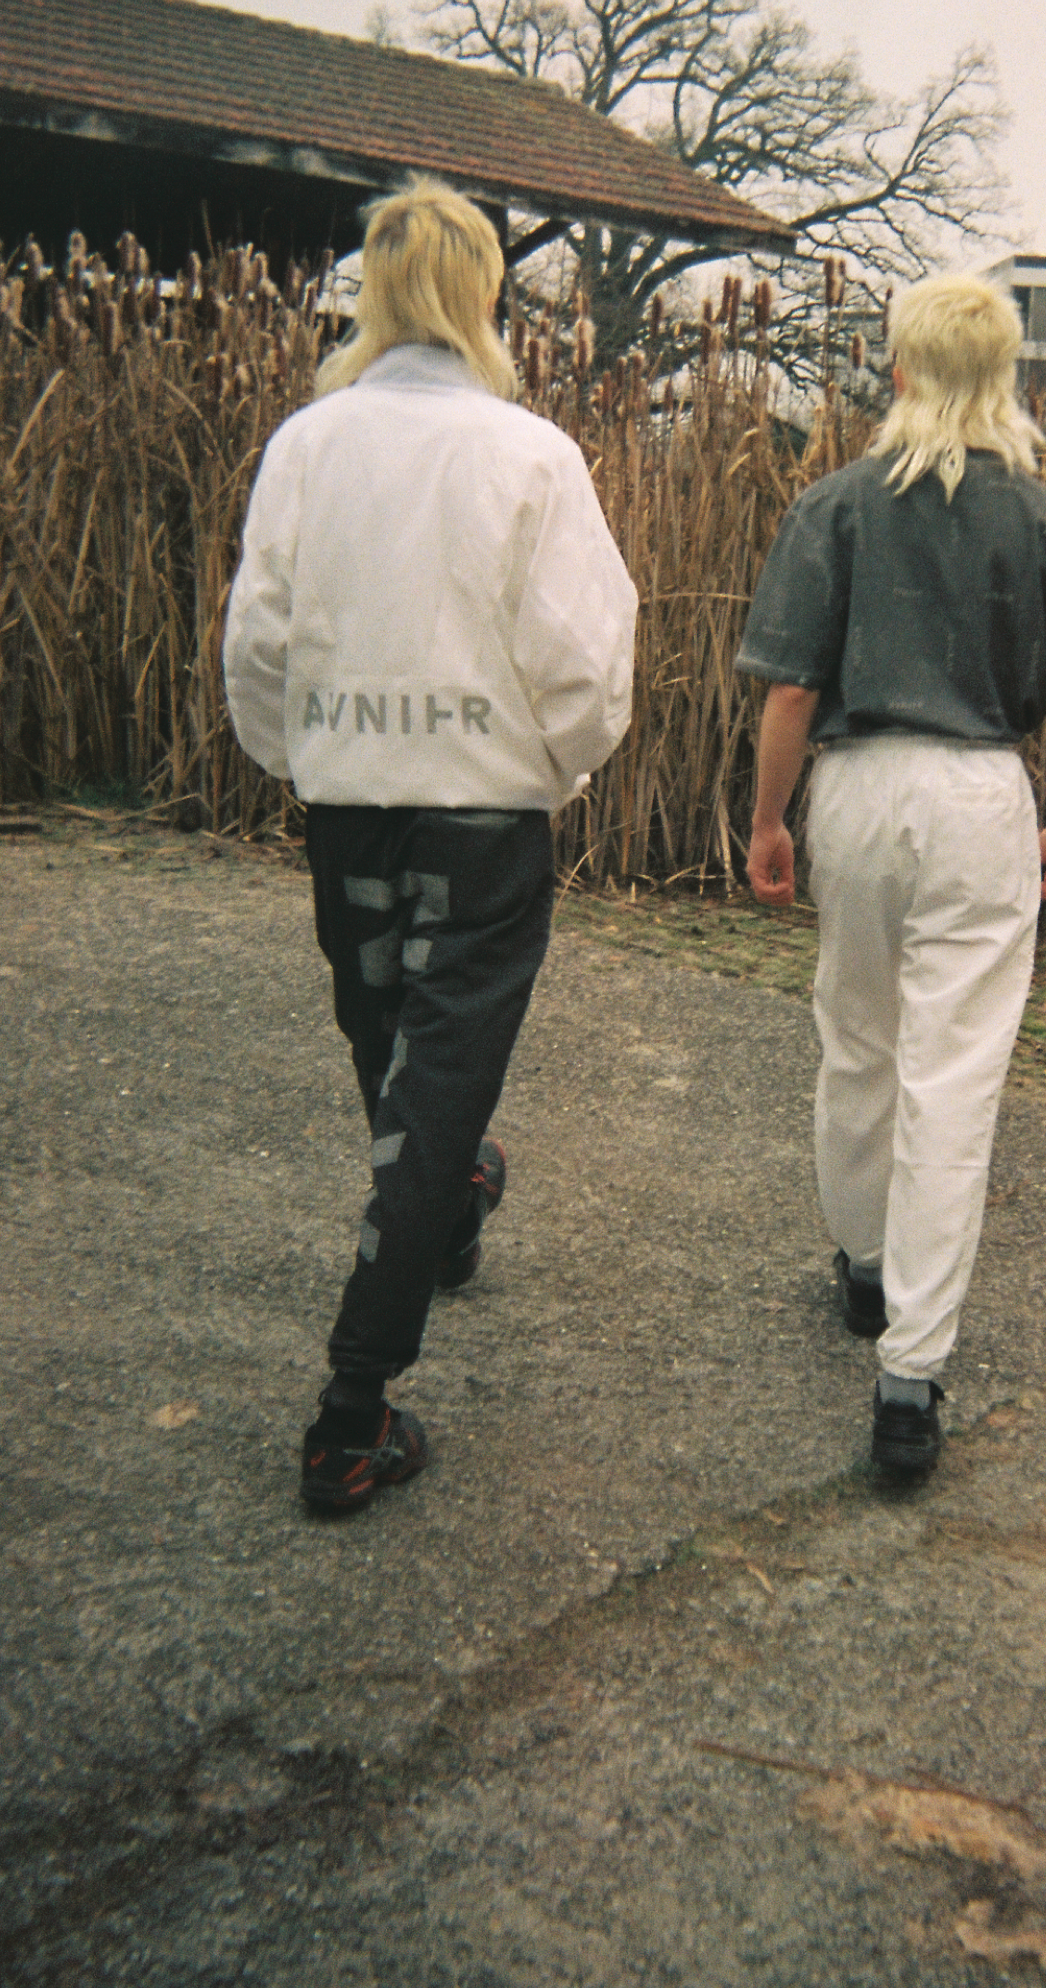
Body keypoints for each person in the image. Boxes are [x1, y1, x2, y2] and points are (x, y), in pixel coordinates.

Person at [224, 182, 637, 1512]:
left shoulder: (308, 441)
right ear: (481, 296)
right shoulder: (529, 454)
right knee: (432, 1078)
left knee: (388, 1045)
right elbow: (583, 656)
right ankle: (351, 1412)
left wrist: (300, 757)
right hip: (481, 817)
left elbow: (260, 633)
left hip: (350, 801)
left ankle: (448, 1195)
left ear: (373, 290)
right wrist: (552, 773)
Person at [736, 273, 1046, 1476]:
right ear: (1005, 375)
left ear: (902, 368)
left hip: (857, 790)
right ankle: (909, 1378)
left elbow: (792, 692)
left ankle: (864, 1268)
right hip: (981, 796)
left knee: (856, 1036)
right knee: (952, 1079)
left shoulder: (838, 505)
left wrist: (770, 816)